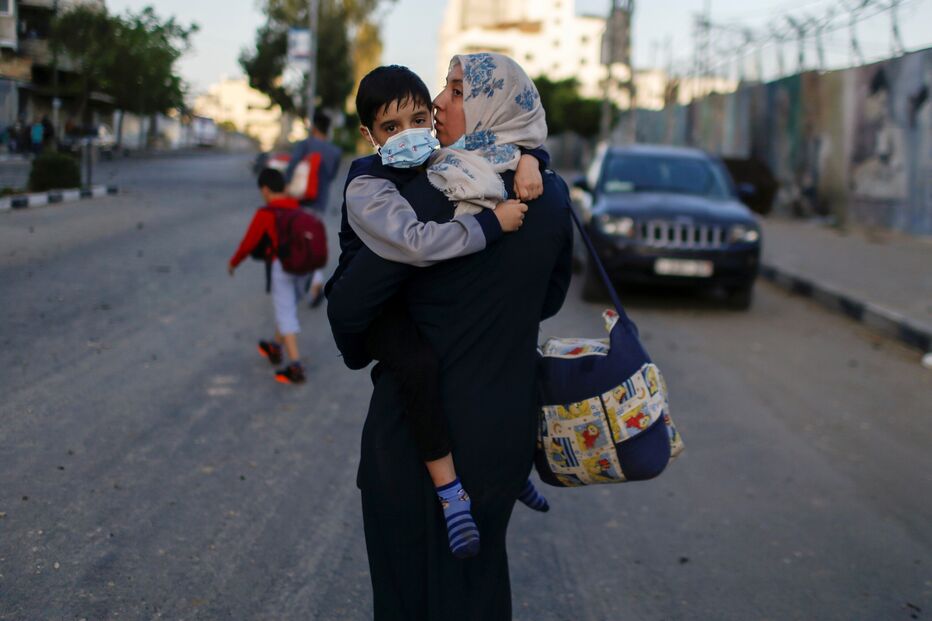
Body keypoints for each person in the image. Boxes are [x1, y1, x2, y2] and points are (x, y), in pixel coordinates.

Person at [327, 53, 573, 619]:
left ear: (492, 105)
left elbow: (350, 305)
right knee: (478, 593)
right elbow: (551, 299)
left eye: (457, 92)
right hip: (501, 437)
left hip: (413, 441)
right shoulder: (553, 195)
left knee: (407, 595)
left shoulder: (434, 193)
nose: (439, 105)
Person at [228, 168, 309, 385]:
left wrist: (233, 263)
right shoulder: (297, 207)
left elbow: (248, 243)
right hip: (304, 267)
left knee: (286, 314)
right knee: (288, 307)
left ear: (265, 189)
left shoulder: (267, 213)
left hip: (282, 267)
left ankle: (296, 366)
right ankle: (275, 345)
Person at [284, 109, 342, 307]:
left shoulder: (305, 145)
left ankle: (295, 286)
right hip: (320, 202)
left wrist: (285, 188)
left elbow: (291, 168)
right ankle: (316, 284)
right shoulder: (335, 152)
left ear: (314, 127)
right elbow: (332, 176)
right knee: (313, 241)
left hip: (300, 201)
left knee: (296, 241)